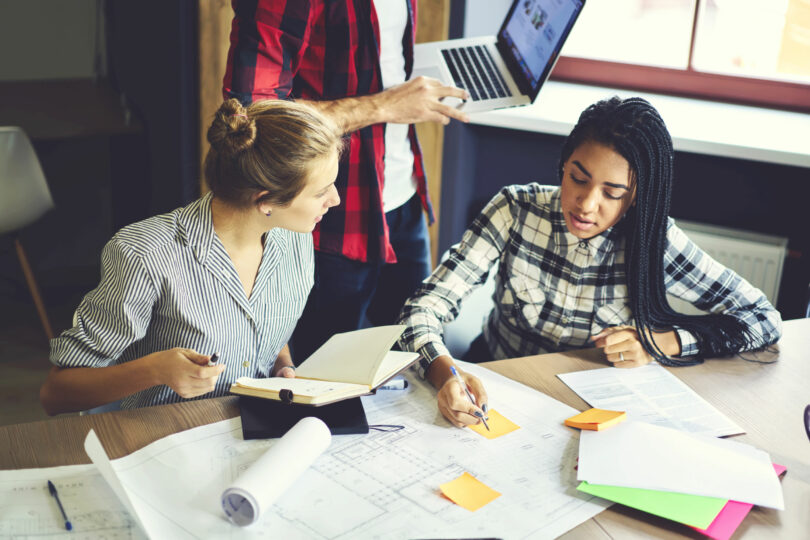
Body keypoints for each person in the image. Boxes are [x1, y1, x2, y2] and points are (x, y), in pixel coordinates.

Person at [397, 96, 783, 428]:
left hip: (590, 412)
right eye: (578, 179)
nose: (586, 204)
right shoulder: (515, 209)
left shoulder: (654, 241)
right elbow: (424, 307)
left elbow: (763, 317)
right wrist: (444, 371)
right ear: (563, 165)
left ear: (634, 198)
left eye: (611, 193)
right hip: (497, 386)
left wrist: (660, 343)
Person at [39, 98, 342, 414]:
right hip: (156, 441)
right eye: (322, 191)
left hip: (250, 433)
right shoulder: (146, 254)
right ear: (265, 200)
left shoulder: (295, 240)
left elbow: (264, 326)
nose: (335, 199)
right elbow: (57, 393)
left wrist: (282, 365)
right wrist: (155, 370)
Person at [222, 0, 470, 362]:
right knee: (324, 374)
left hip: (403, 198)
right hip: (328, 217)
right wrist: (382, 106)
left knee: (417, 357)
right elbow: (252, 113)